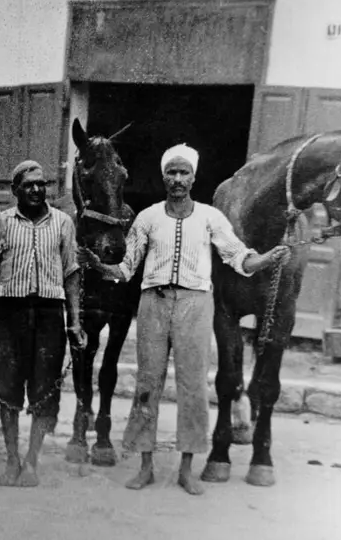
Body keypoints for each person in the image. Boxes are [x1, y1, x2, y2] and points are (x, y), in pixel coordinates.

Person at [79, 144, 289, 495]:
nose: (178, 179)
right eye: (172, 173)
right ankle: (145, 466)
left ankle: (187, 469)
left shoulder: (210, 217)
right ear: (164, 177)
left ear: (194, 177)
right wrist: (99, 265)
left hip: (195, 304)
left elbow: (239, 258)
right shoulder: (147, 218)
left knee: (193, 386)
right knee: (148, 384)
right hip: (153, 303)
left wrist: (268, 258)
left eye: (184, 173)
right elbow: (127, 268)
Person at [0, 159, 85, 488]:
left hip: (48, 315)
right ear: (14, 190)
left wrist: (74, 321)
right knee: (8, 389)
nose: (35, 189)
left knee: (44, 391)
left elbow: (71, 272)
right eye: (28, 184)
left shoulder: (62, 222)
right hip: (8, 314)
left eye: (41, 183)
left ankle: (32, 461)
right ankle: (12, 460)